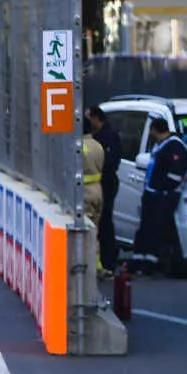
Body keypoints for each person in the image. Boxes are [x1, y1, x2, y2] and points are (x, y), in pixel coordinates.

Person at [132, 116, 187, 275]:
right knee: (146, 229)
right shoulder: (161, 146)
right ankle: (139, 261)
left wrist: (162, 190)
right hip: (153, 194)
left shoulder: (174, 147)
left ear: (154, 130)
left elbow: (175, 176)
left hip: (162, 196)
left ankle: (150, 263)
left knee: (155, 230)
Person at [85, 106, 121, 277]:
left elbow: (111, 163)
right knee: (99, 223)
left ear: (95, 118)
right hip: (99, 186)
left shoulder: (107, 137)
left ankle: (107, 260)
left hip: (104, 185)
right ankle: (101, 261)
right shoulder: (97, 140)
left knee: (104, 222)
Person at [81, 128, 105, 243]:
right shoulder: (98, 146)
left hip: (84, 191)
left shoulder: (79, 146)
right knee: (95, 230)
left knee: (85, 232)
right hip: (98, 190)